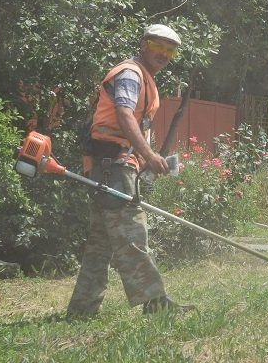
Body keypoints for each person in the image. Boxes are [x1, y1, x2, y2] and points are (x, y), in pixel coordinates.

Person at [66, 24, 193, 318]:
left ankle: (81, 311)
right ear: (143, 44)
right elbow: (124, 115)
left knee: (100, 244)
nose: (164, 54)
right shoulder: (131, 74)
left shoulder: (143, 77)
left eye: (170, 49)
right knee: (133, 235)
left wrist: (145, 157)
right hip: (113, 167)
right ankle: (156, 303)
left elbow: (131, 123)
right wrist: (148, 153)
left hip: (108, 166)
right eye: (157, 46)